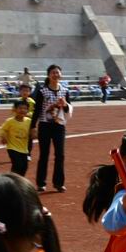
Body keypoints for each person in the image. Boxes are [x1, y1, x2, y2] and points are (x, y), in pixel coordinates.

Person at [31, 65, 72, 193]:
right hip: (45, 126)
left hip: (59, 126)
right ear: (48, 75)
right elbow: (37, 110)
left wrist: (65, 105)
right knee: (44, 154)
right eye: (53, 73)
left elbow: (69, 109)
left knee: (60, 154)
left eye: (57, 72)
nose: (55, 75)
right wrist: (33, 126)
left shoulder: (65, 91)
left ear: (61, 75)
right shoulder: (42, 91)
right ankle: (41, 183)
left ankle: (59, 183)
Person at [0, 100, 34, 177]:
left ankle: (17, 180)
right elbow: (2, 129)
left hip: (24, 149)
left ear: (27, 110)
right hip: (12, 148)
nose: (22, 110)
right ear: (15, 109)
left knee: (24, 167)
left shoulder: (29, 121)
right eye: (20, 108)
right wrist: (3, 136)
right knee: (17, 165)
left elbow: (33, 132)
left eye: (25, 108)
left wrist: (34, 134)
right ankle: (13, 180)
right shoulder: (10, 121)